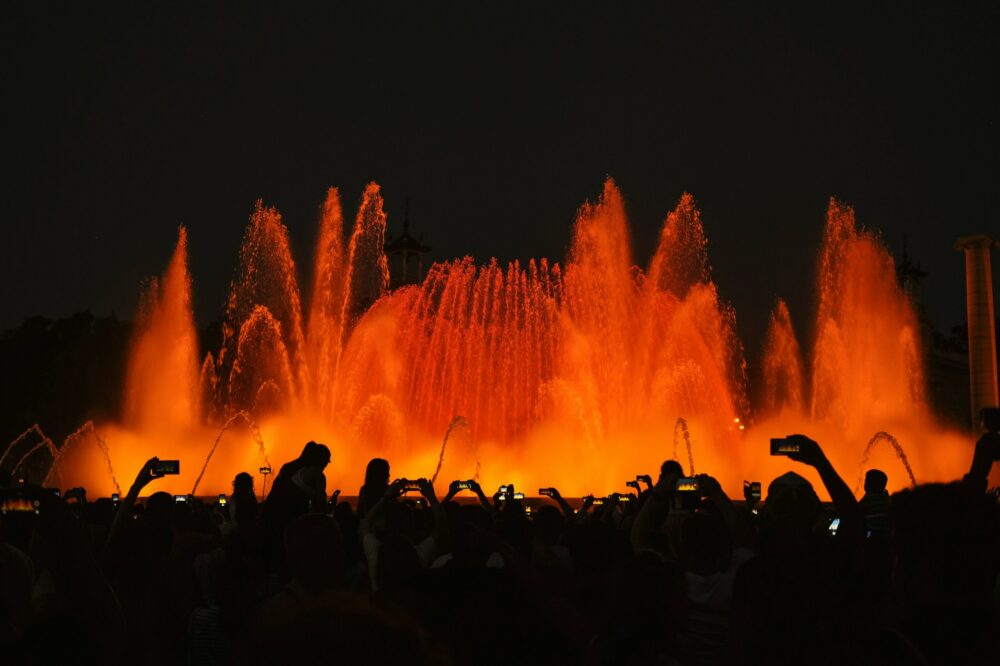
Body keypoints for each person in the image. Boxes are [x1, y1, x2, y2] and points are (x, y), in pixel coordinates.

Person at [859, 468, 890, 535]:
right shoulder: (887, 500)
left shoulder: (868, 500)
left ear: (868, 484)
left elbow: (855, 513)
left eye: (866, 481)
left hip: (870, 537)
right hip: (885, 537)